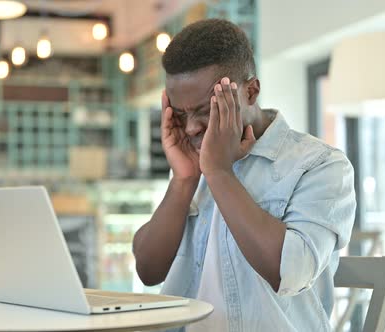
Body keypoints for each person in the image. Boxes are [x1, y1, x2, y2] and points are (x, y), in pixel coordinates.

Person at [132, 19, 356, 331]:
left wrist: (219, 173)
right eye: (181, 115)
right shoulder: (195, 165)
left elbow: (289, 271)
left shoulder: (321, 165)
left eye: (206, 109)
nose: (192, 128)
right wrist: (183, 180)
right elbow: (148, 270)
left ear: (250, 91)